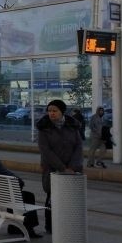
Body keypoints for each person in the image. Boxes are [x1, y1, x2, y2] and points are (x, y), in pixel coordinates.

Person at [36, 99, 83, 233]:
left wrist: (73, 166)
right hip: (52, 169)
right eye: (49, 111)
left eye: (55, 110)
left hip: (72, 169)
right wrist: (62, 168)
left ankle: (67, 224)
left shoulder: (72, 126)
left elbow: (78, 147)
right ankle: (50, 226)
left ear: (62, 111)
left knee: (69, 198)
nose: (51, 113)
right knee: (52, 197)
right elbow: (45, 150)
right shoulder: (44, 128)